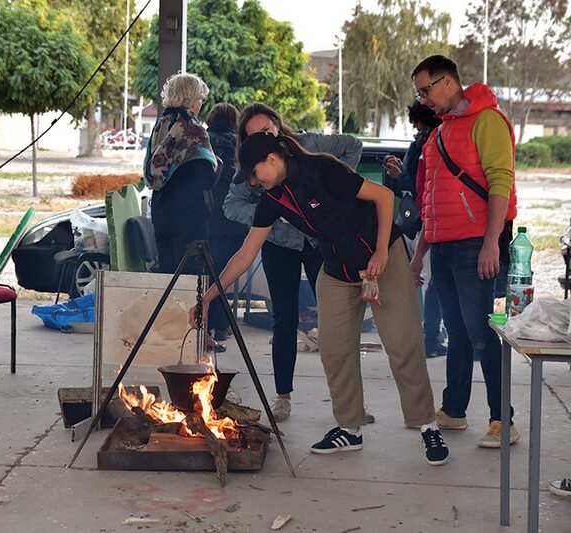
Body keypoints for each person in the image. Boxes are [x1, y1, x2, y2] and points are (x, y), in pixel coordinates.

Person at [191, 131, 449, 466]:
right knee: (335, 350)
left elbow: (384, 197)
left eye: (255, 173)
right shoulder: (273, 199)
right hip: (336, 269)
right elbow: (244, 255)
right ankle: (349, 428)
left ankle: (426, 424)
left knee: (403, 343)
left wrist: (383, 252)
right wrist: (209, 297)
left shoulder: (322, 169)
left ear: (272, 159)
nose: (254, 182)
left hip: (380, 256)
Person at [222, 102, 363, 422]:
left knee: (337, 317)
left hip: (318, 241)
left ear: (278, 124)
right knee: (283, 319)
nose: (263, 137)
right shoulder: (249, 165)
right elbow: (230, 205)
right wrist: (268, 219)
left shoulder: (308, 144)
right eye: (254, 134)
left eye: (266, 130)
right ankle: (282, 396)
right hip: (279, 246)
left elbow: (353, 145)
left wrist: (338, 193)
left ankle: (350, 400)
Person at [409, 55, 519, 448]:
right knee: (455, 332)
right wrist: (420, 253)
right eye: (418, 93)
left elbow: (500, 183)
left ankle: (502, 420)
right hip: (442, 246)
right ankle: (454, 410)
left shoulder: (488, 121)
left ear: (448, 82)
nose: (423, 100)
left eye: (426, 90)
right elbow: (430, 200)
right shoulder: (439, 134)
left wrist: (491, 242)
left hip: (476, 244)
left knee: (482, 335)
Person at [382, 100, 447, 359]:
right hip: (420, 222)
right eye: (417, 129)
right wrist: (395, 175)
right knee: (430, 283)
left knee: (429, 282)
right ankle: (430, 336)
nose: (419, 133)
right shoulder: (420, 145)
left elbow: (423, 184)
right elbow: (412, 187)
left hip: (426, 220)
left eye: (422, 128)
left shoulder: (435, 144)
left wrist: (402, 177)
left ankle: (430, 335)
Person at [144, 72, 218, 275]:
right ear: (192, 100)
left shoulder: (161, 124)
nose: (201, 104)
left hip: (162, 211)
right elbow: (206, 177)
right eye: (200, 99)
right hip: (189, 215)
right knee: (192, 280)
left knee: (168, 275)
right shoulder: (194, 130)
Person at [204, 102, 246, 342]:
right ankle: (221, 324)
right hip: (235, 220)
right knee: (225, 272)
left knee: (210, 271)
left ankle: (215, 321)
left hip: (209, 217)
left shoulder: (204, 141)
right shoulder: (241, 144)